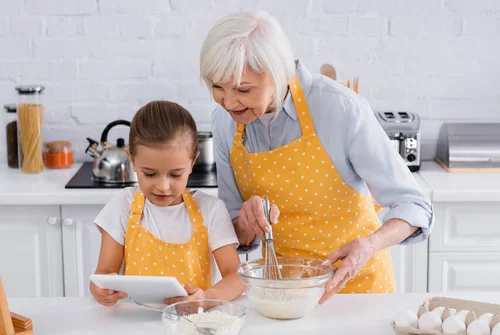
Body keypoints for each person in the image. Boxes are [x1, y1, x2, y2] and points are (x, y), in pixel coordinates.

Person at [200, 11, 434, 303]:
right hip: (285, 295)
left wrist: (370, 244)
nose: (229, 102)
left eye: (243, 89)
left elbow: (415, 205)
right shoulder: (225, 124)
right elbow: (233, 232)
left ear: (278, 72)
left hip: (358, 292)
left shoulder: (339, 109)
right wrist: (245, 224)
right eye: (217, 88)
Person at [90, 100, 245, 306]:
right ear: (132, 160)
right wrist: (100, 290)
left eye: (175, 174)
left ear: (192, 162)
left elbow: (237, 278)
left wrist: (205, 298)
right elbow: (104, 273)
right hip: (133, 323)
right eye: (150, 173)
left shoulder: (211, 210)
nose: (163, 186)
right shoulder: (122, 206)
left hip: (192, 325)